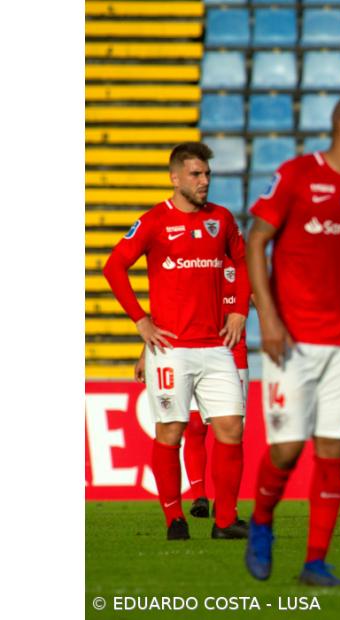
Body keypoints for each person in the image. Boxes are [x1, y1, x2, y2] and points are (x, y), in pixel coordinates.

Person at [244, 94, 340, 586]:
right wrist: (267, 318)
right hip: (293, 340)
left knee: (334, 450)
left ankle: (315, 563)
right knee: (286, 451)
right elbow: (256, 241)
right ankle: (261, 522)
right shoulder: (295, 175)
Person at [103, 142, 250, 541]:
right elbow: (113, 267)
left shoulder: (222, 218)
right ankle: (174, 518)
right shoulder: (153, 221)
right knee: (171, 431)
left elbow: (242, 261)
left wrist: (238, 309)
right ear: (175, 178)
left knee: (231, 429)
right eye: (196, 175)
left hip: (216, 347)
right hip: (171, 350)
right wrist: (141, 321)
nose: (204, 182)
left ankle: (225, 521)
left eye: (206, 174)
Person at [135, 258, 251, 520]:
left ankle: (225, 510)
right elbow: (168, 313)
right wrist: (146, 353)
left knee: (230, 431)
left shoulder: (242, 267)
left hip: (233, 356)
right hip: (188, 352)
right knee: (195, 427)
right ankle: (199, 495)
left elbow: (264, 302)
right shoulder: (196, 262)